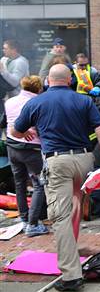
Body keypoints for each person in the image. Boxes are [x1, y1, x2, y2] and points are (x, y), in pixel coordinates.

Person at [11, 64, 100, 292]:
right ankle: (72, 247)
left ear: (48, 80)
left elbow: (15, 131)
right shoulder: (84, 100)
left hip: (57, 162)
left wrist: (30, 133)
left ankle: (71, 275)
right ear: (70, 80)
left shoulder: (36, 102)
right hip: (85, 159)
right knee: (76, 204)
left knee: (60, 216)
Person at [4, 76, 47, 236]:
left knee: (19, 183)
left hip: (12, 146)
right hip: (32, 149)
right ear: (38, 88)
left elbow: (5, 122)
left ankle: (24, 218)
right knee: (39, 184)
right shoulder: (37, 102)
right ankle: (33, 224)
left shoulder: (10, 101)